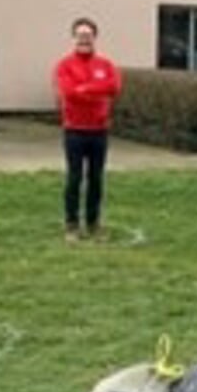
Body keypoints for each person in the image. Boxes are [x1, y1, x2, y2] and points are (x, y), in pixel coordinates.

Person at [51, 16, 123, 241]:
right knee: (74, 178)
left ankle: (93, 223)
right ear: (74, 38)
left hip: (99, 130)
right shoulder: (64, 65)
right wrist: (94, 90)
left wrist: (85, 89)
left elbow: (114, 87)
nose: (84, 39)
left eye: (88, 35)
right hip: (74, 130)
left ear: (94, 38)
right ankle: (71, 224)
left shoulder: (105, 64)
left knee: (96, 178)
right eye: (80, 35)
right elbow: (69, 92)